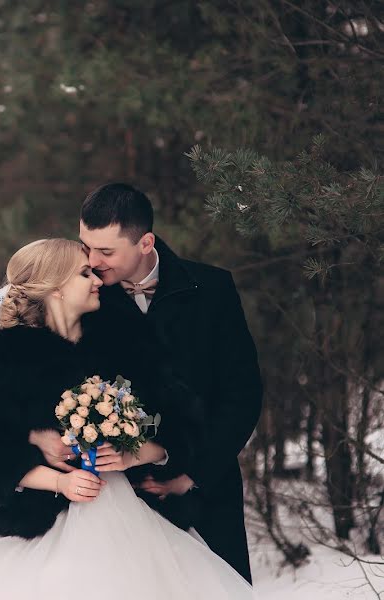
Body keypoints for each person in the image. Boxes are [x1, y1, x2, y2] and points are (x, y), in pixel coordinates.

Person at [0, 238, 253, 599]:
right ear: (55, 289)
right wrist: (56, 477)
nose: (99, 280)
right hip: (42, 524)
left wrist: (141, 452)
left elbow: (181, 422)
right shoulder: (9, 362)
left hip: (134, 518)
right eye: (85, 273)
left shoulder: (121, 345)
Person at [28, 183, 262, 582]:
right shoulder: (85, 297)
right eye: (86, 246)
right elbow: (42, 382)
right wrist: (40, 435)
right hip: (117, 497)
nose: (92, 260)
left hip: (205, 482)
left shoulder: (212, 290)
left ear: (145, 242)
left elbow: (242, 395)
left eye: (106, 251)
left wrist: (189, 475)